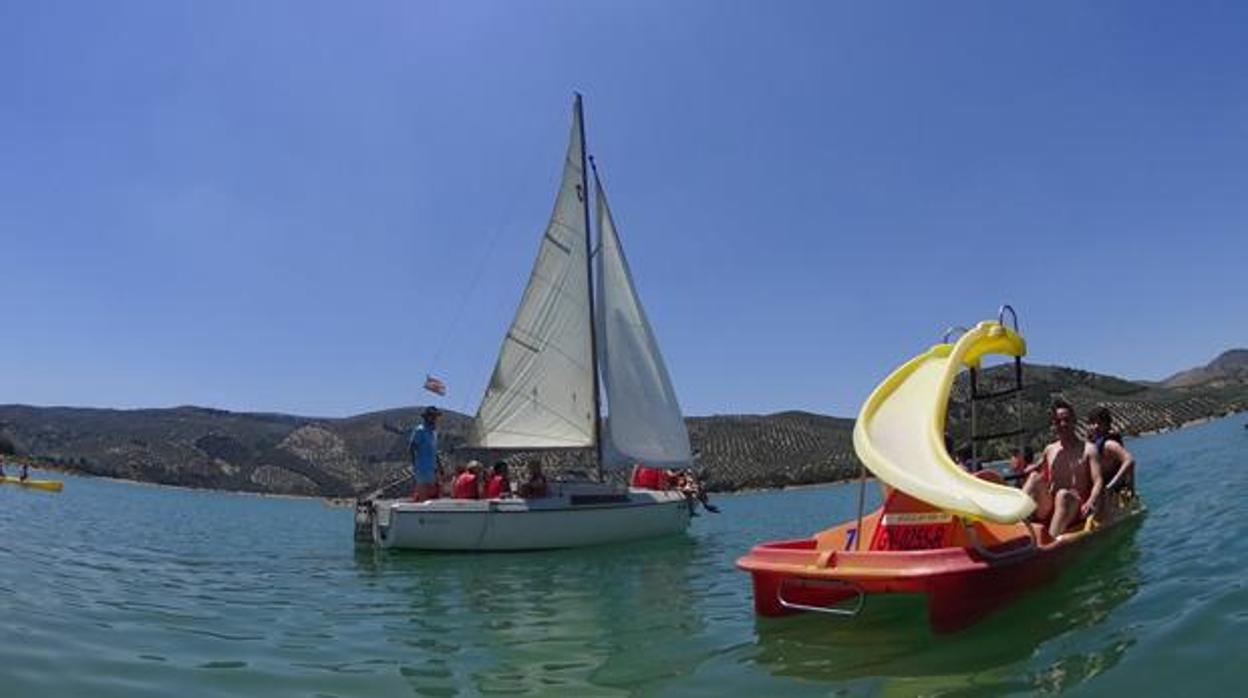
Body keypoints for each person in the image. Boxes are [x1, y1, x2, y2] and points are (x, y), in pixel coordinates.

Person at [1023, 399, 1105, 538]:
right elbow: (1038, 467)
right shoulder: (1049, 449)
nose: (1063, 424)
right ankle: (1011, 523)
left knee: (1062, 495)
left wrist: (1091, 500)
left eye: (1066, 420)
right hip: (1050, 505)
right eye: (1058, 421)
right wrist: (1028, 469)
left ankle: (1050, 542)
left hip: (1074, 506)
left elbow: (1098, 481)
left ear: (1074, 421)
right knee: (1034, 478)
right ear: (1053, 425)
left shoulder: (1088, 450)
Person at [1087, 406, 1136, 495]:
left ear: (1107, 425)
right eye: (1093, 422)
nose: (1096, 426)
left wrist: (1111, 485)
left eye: (1100, 422)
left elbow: (1130, 460)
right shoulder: (1091, 445)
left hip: (1120, 492)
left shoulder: (1109, 444)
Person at [408, 406, 442, 501]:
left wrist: (440, 467)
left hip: (432, 469)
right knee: (424, 498)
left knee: (433, 496)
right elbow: (411, 447)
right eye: (432, 416)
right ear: (426, 417)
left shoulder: (434, 433)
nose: (434, 418)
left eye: (435, 416)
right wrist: (415, 465)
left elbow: (434, 451)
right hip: (422, 468)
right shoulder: (420, 430)